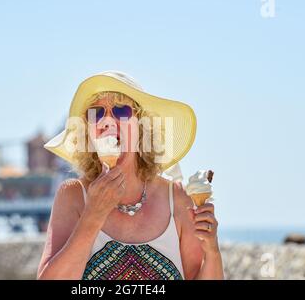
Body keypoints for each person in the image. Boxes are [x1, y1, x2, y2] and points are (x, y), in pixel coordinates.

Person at [37, 71, 223, 280]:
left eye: (121, 110)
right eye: (96, 112)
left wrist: (212, 252)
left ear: (142, 127)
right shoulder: (72, 196)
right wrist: (93, 215)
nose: (107, 120)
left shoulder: (177, 199)